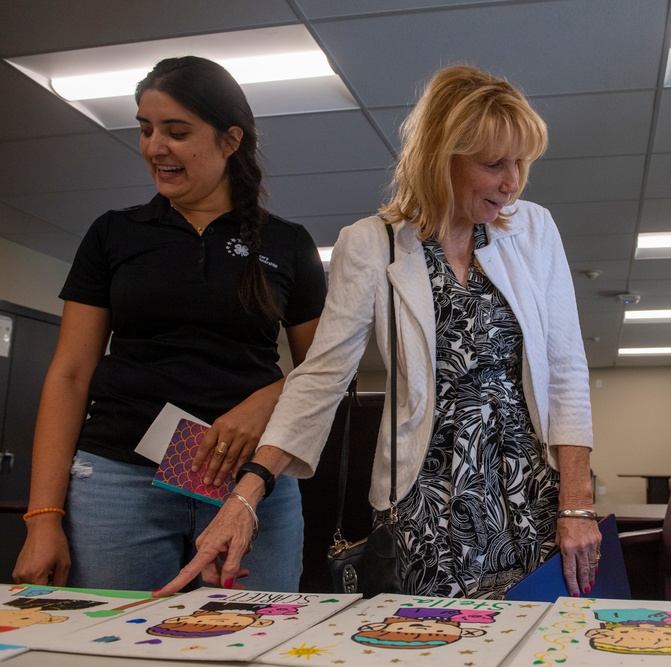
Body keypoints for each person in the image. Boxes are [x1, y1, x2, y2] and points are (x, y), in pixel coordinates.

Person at [158, 63, 600, 599]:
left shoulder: (533, 229)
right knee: (436, 648)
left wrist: (577, 504)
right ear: (443, 158)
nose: (513, 182)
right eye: (494, 164)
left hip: (533, 492)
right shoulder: (372, 243)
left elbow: (566, 370)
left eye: (521, 163)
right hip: (427, 505)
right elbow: (321, 377)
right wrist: (246, 495)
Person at [12, 56, 327, 592]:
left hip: (248, 483)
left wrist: (263, 403)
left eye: (177, 132)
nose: (155, 146)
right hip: (117, 479)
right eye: (145, 129)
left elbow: (324, 372)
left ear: (231, 140)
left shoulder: (286, 243)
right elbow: (69, 374)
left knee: (246, 637)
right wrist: (42, 518)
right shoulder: (114, 234)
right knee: (117, 642)